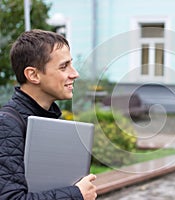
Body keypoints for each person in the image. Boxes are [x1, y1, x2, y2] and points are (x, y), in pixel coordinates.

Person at [0, 29, 97, 200]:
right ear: (33, 75)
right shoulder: (6, 125)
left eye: (71, 64)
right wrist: (77, 194)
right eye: (63, 66)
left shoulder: (50, 120)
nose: (75, 73)